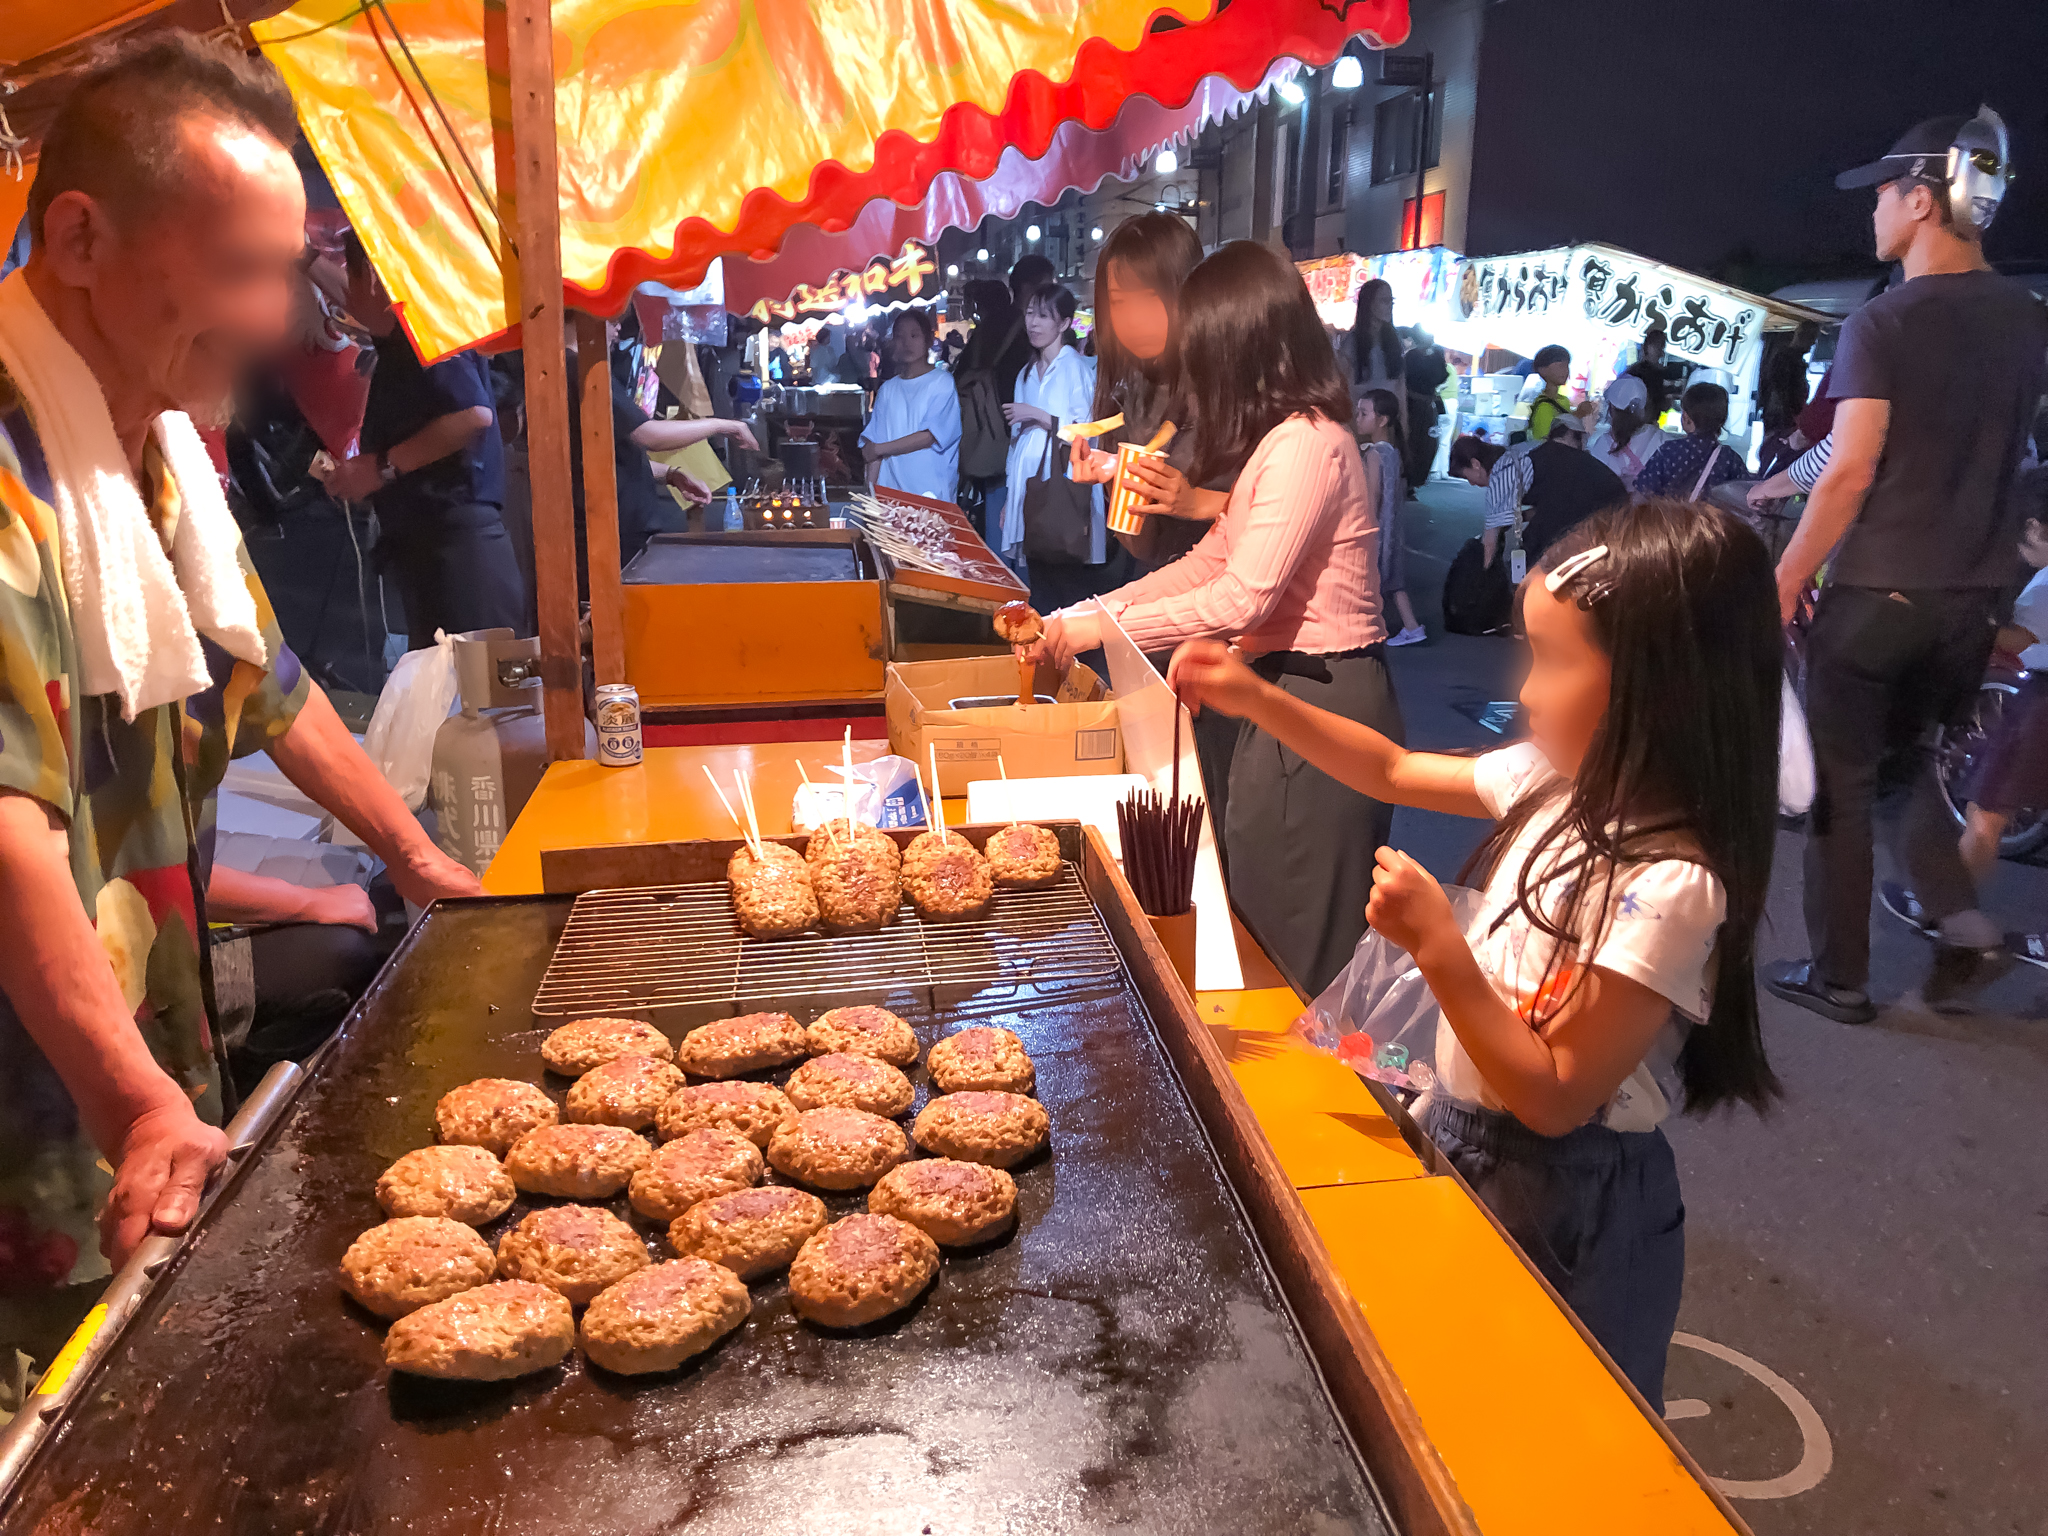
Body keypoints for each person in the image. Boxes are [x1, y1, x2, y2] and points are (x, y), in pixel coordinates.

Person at [0, 36, 483, 1347]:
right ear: (83, 238)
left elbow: (267, 683)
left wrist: (415, 852)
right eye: (239, 270)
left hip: (142, 1046)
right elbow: (8, 834)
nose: (278, 319)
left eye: (284, 270)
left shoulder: (148, 443)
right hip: (35, 1102)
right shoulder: (12, 477)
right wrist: (130, 1100)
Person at [1169, 499, 1784, 1407]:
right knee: (1450, 1378)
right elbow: (1389, 770)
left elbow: (1553, 1095)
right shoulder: (1557, 782)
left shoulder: (1670, 885)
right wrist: (1257, 696)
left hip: (1565, 1198)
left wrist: (1440, 947)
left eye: (1556, 660)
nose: (1526, 691)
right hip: (1461, 1132)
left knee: (1556, 1405)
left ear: (1662, 686)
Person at [1027, 241, 1400, 995]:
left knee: (1294, 939)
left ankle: (1313, 1103)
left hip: (1317, 692)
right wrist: (1080, 615)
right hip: (1276, 691)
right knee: (1256, 904)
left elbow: (1244, 597)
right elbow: (1206, 565)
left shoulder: (1305, 442)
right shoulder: (1281, 440)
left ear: (1239, 346)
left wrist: (1101, 628)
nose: (1192, 368)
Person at [1765, 114, 2046, 1020]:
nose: (1875, 212)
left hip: (1881, 587)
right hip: (1973, 599)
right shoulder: (2027, 320)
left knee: (1842, 784)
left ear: (1922, 200)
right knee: (1909, 768)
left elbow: (1848, 469)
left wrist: (1783, 577)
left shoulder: (1884, 321)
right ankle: (1969, 933)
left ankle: (1838, 977)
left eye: (1884, 194)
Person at [319, 235, 525, 647]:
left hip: (460, 555)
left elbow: (474, 415)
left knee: (479, 701)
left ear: (375, 280)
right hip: (432, 550)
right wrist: (302, 256)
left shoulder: (425, 330)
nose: (345, 292)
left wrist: (381, 468)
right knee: (441, 698)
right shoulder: (397, 343)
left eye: (351, 276)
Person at [1880, 473, 2048, 939]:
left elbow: (2015, 640)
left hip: (2042, 706)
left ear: (2035, 527)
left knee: (1986, 812)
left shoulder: (2046, 584)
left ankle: (1946, 913)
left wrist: (1950, 615)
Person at [1068, 213, 1227, 577]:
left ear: (1188, 290)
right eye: (1120, 303)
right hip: (1164, 594)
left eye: (1150, 298)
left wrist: (1200, 502)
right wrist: (1114, 480)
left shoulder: (1232, 388)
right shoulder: (1127, 398)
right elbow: (1147, 548)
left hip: (1239, 601)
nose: (1134, 319)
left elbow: (1286, 508)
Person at [999, 282, 1102, 586]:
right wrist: (1010, 497)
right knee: (1036, 573)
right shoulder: (1027, 373)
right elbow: (1015, 442)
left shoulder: (1075, 368)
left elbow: (1086, 431)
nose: (1033, 323)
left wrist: (1038, 415)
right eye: (1030, 313)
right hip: (1027, 483)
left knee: (1064, 576)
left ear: (1065, 323)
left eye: (1044, 315)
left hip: (1065, 486)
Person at [1451, 414, 1625, 569]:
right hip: (1609, 494)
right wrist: (1518, 517)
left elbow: (1490, 540)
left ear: (1475, 464)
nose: (1472, 484)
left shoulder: (1501, 473)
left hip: (1590, 500)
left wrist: (1478, 577)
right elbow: (1546, 505)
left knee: (1535, 555)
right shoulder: (1518, 452)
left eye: (1467, 477)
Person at [860, 307, 960, 502]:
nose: (906, 343)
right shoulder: (888, 389)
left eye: (914, 335)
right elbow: (873, 447)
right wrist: (869, 499)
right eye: (899, 337)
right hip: (891, 496)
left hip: (930, 495)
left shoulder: (942, 382)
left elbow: (930, 436)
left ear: (928, 340)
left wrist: (881, 449)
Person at [1357, 389, 1424, 645]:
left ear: (1382, 420)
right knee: (1394, 581)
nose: (1358, 418)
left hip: (1378, 528)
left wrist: (1364, 527)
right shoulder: (1391, 451)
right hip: (1393, 527)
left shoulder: (1374, 453)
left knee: (1372, 578)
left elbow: (1372, 496)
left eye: (1364, 413)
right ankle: (1412, 627)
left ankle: (1369, 628)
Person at [1631, 381, 1746, 501]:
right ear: (1722, 420)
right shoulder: (1730, 459)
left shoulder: (1669, 451)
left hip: (1671, 518)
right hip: (1712, 519)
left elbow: (1642, 493)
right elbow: (1746, 497)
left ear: (1686, 417)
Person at [1585, 375, 1668, 493]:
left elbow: (1592, 486)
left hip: (1613, 510)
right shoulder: (1663, 440)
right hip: (1650, 510)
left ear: (1611, 408)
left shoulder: (1602, 444)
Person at [1349, 278, 1407, 437]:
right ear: (1369, 304)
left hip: (1389, 426)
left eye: (1391, 301)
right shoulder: (1352, 343)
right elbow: (1346, 391)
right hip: (1361, 427)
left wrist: (1404, 427)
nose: (1389, 306)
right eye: (1384, 301)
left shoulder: (1394, 342)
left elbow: (1400, 389)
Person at [1403, 326, 1451, 490]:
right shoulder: (1412, 356)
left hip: (1426, 403)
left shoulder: (1435, 353)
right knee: (1415, 442)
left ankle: (1416, 480)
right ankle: (1410, 481)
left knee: (1427, 443)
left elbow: (1442, 376)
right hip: (1414, 403)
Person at [1522, 344, 1579, 446]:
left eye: (1566, 366)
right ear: (1542, 370)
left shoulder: (1563, 400)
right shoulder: (1544, 407)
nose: (1565, 371)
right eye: (1560, 366)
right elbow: (1542, 442)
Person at [1623, 327, 1676, 420]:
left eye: (1662, 348)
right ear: (1649, 347)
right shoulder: (1651, 373)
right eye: (1659, 347)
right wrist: (1667, 401)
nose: (1661, 353)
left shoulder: (1633, 370)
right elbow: (1661, 404)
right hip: (1645, 422)